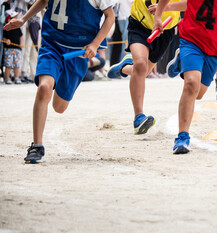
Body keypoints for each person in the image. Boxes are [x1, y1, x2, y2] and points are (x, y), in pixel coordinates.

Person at [3, 0, 115, 163]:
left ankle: (61, 79)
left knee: (59, 107)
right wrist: (24, 19)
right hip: (52, 44)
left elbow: (110, 17)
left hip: (78, 52)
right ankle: (37, 145)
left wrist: (95, 44)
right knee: (44, 88)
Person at [153, 0, 217, 154]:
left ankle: (181, 63)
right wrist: (161, 11)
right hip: (192, 39)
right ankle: (182, 137)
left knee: (198, 94)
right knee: (191, 84)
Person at [107, 0, 180, 135]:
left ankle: (124, 68)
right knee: (140, 65)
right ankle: (138, 117)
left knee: (142, 72)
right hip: (139, 23)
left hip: (166, 28)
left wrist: (165, 8)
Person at [3, 9, 23, 84]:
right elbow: (3, 37)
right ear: (9, 19)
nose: (16, 19)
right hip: (9, 49)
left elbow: (21, 36)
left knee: (17, 65)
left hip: (17, 49)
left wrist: (21, 43)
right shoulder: (6, 28)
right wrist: (6, 40)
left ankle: (16, 77)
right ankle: (7, 78)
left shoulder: (18, 28)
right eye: (14, 18)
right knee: (8, 65)